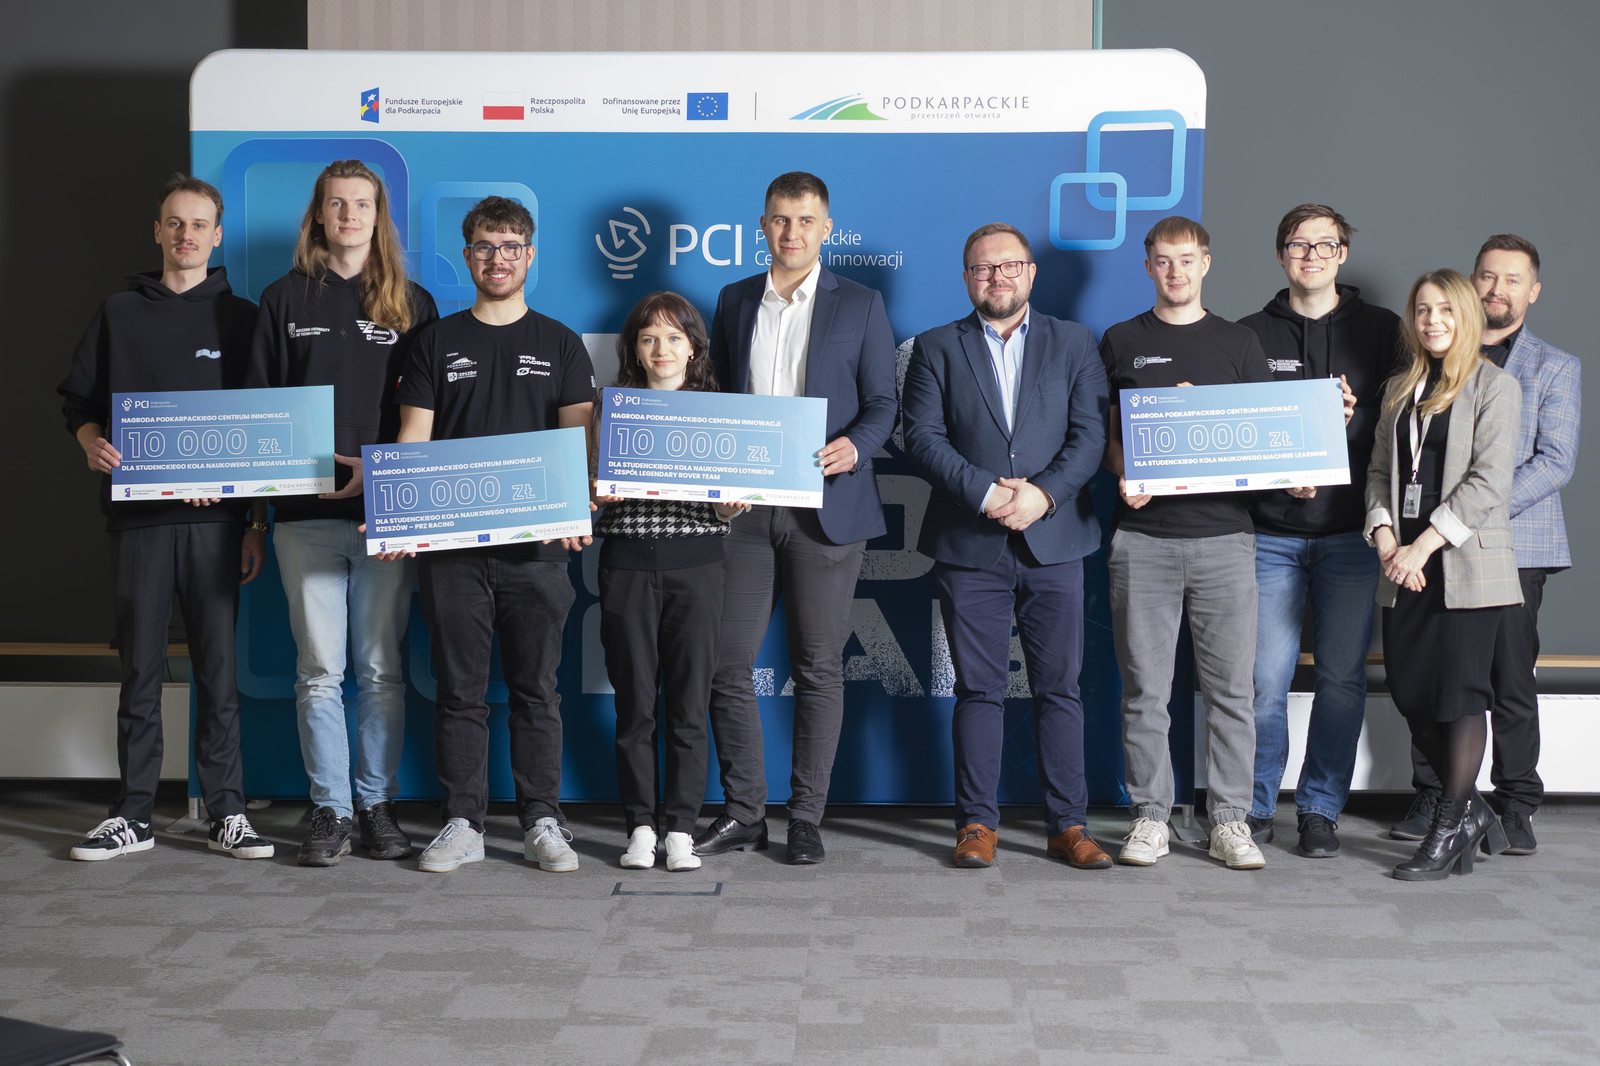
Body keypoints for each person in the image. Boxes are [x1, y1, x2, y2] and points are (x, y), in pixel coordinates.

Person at [59, 176, 273, 861]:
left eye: (199, 224)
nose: (186, 235)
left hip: (217, 527)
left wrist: (254, 523)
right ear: (158, 231)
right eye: (175, 223)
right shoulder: (119, 312)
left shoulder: (242, 319)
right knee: (141, 672)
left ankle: (227, 812)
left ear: (217, 236)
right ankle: (134, 816)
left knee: (217, 672)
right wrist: (90, 442)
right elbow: (79, 403)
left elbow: (262, 427)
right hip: (139, 523)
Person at [694, 171, 897, 864]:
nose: (792, 232)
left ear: (826, 228)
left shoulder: (861, 304)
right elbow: (719, 397)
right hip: (747, 513)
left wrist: (857, 446)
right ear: (763, 225)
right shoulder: (733, 300)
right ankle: (744, 812)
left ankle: (805, 816)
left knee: (817, 668)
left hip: (826, 510)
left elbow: (884, 403)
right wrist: (719, 476)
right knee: (725, 663)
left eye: (806, 220)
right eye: (781, 219)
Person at [392, 196, 595, 873]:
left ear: (530, 255)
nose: (497, 258)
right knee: (460, 693)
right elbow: (414, 441)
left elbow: (579, 443)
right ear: (467, 255)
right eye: (484, 246)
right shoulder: (434, 342)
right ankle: (464, 823)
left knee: (537, 691)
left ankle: (542, 820)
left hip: (539, 555)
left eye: (510, 246)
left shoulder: (560, 343)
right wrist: (401, 514)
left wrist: (575, 511)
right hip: (454, 555)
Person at [246, 160, 439, 867]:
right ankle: (330, 809)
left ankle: (377, 804)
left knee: (382, 670)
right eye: (337, 204)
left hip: (386, 518)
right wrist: (254, 521)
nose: (349, 215)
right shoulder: (282, 299)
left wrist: (393, 489)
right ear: (319, 215)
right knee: (319, 670)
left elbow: (430, 420)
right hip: (302, 518)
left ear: (378, 216)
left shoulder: (411, 303)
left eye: (362, 204)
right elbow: (260, 418)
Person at [903, 223, 1111, 869]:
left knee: (1061, 690)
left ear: (1030, 272)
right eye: (983, 268)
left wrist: (1042, 495)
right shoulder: (936, 347)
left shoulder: (1075, 342)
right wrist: (986, 493)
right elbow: (922, 437)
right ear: (967, 278)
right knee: (978, 690)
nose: (996, 277)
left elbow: (1089, 435)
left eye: (1008, 266)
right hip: (970, 543)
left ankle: (1068, 825)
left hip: (1057, 539)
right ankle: (976, 824)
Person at [1392, 236, 1580, 855]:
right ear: (1471, 283)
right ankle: (1443, 797)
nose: (1497, 289)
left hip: (1515, 544)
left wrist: (1476, 517)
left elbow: (1554, 462)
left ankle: (1517, 802)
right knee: (1437, 676)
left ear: (1533, 291)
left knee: (1508, 678)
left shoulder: (1553, 366)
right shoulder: (1431, 360)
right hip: (1431, 543)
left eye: (1512, 280)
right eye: (1487, 277)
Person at [1100, 216, 1271, 871]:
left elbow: (1262, 436)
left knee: (1231, 692)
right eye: (1164, 261)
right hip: (1143, 540)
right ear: (1149, 266)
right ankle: (1151, 817)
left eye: (1187, 259)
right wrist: (1126, 474)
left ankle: (1229, 821)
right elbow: (1108, 436)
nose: (1176, 271)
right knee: (1146, 692)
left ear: (1206, 264)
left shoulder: (1239, 343)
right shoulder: (1122, 341)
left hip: (1226, 539)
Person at [1241, 204, 1396, 858]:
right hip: (1269, 534)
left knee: (1341, 679)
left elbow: (1409, 424)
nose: (1311, 255)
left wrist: (1356, 420)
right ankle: (1251, 808)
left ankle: (1320, 809)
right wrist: (1278, 477)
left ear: (1342, 254)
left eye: (1324, 244)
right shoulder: (1247, 334)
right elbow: (1238, 436)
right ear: (1281, 255)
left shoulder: (1384, 331)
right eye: (1298, 245)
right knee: (1262, 683)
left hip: (1351, 535)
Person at [1366, 268, 1521, 880]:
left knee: (1459, 698)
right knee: (1410, 691)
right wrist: (1385, 537)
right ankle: (1473, 813)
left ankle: (1449, 824)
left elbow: (1489, 482)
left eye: (1446, 310)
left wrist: (1422, 546)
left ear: (1467, 317)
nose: (1433, 321)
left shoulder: (1495, 387)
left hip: (1462, 564)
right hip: (1402, 563)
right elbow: (1380, 472)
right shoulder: (1400, 388)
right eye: (1424, 310)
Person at [594, 293, 745, 872]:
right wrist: (595, 491)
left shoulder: (718, 411)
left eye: (674, 338)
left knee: (688, 705)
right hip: (627, 564)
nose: (662, 349)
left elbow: (726, 508)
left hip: (698, 565)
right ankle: (639, 826)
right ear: (634, 349)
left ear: (693, 347)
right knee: (635, 705)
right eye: (649, 338)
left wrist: (731, 506)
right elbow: (589, 493)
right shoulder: (609, 408)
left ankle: (680, 827)